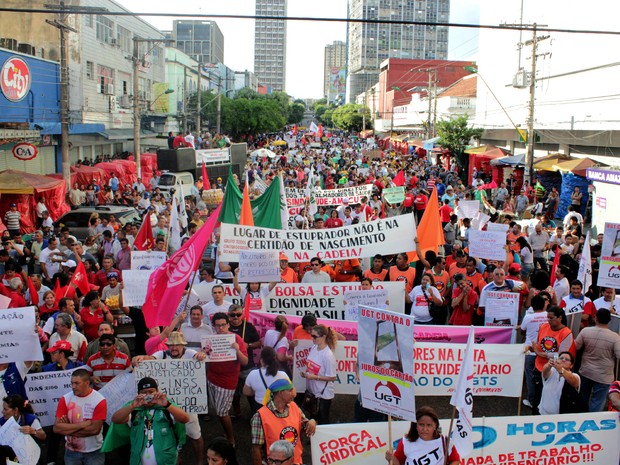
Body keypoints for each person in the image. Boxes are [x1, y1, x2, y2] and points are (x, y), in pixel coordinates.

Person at [109, 376, 189, 465]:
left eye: (151, 392)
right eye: (144, 393)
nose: (148, 395)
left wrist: (166, 404)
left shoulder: (166, 404)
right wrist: (132, 406)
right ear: (138, 394)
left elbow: (184, 419)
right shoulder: (134, 408)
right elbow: (116, 419)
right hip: (138, 461)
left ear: (157, 391)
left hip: (165, 460)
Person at [251, 379, 316, 465]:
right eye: (290, 391)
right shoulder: (260, 416)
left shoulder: (294, 406)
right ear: (281, 393)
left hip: (295, 461)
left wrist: (312, 421)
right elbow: (256, 448)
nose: (294, 394)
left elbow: (305, 424)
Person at [207, 312, 248, 446]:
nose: (221, 328)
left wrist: (237, 350)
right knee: (218, 411)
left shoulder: (236, 339)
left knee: (222, 412)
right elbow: (207, 358)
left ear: (228, 325)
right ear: (214, 326)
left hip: (227, 382)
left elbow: (245, 362)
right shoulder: (211, 339)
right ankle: (226, 433)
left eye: (223, 325)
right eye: (218, 326)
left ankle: (231, 438)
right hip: (212, 379)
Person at [54, 369, 106, 465]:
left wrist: (68, 429)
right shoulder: (65, 399)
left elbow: (94, 430)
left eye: (77, 383)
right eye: (72, 383)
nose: (73, 387)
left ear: (87, 383)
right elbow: (57, 428)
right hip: (71, 451)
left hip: (94, 451)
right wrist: (81, 425)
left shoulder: (99, 400)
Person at [574, 308, 620, 412]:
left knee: (582, 399)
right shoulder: (615, 337)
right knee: (598, 403)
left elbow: (576, 346)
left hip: (586, 371)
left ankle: (581, 419)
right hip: (604, 376)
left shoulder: (585, 331)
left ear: (596, 318)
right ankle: (593, 423)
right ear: (609, 320)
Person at [385, 406, 460, 465]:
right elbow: (398, 463)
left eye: (429, 425)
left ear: (435, 426)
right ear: (416, 425)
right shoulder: (406, 441)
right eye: (421, 425)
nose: (425, 429)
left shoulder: (445, 442)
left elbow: (455, 460)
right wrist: (391, 459)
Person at [300, 324, 337, 424]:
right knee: (313, 418)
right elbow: (310, 365)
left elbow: (332, 377)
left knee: (322, 420)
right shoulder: (314, 348)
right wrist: (306, 372)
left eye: (315, 336)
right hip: (313, 392)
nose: (312, 338)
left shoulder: (328, 355)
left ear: (324, 337)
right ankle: (312, 439)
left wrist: (315, 377)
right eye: (312, 336)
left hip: (323, 394)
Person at [243, 347, 291, 413]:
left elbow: (246, 392)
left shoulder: (253, 374)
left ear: (262, 360)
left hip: (260, 407)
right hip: (278, 407)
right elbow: (291, 391)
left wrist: (257, 390)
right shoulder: (283, 375)